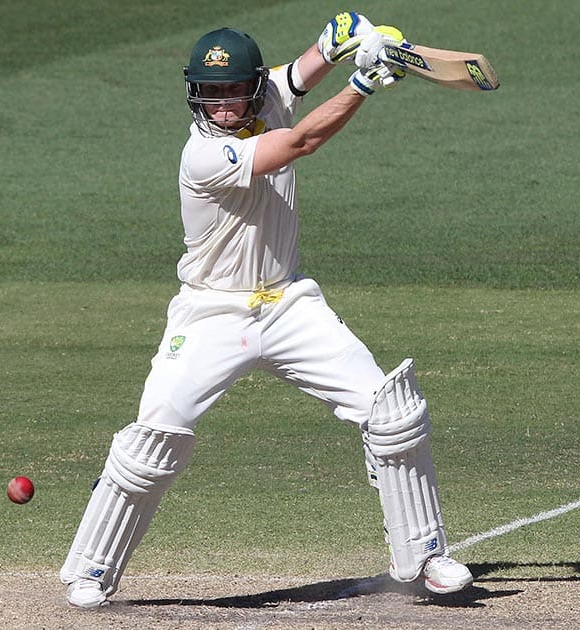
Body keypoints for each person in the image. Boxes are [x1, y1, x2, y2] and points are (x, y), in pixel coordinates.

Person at [60, 12, 473, 608]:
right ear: (193, 93)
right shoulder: (202, 156)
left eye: (232, 88)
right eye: (209, 90)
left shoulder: (266, 94)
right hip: (212, 314)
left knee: (392, 411)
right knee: (152, 441)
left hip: (288, 304)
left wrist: (348, 33)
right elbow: (299, 142)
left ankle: (424, 556)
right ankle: (92, 569)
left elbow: (304, 68)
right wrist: (362, 84)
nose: (222, 101)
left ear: (253, 87)